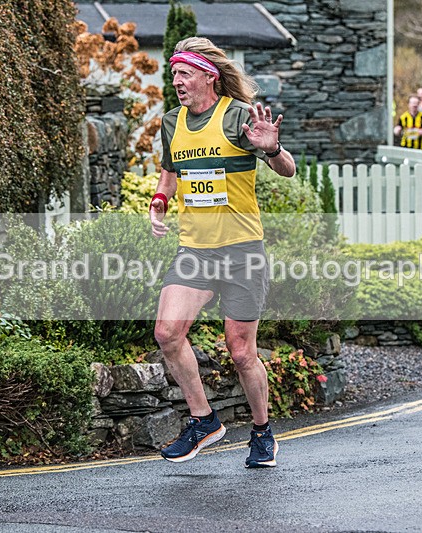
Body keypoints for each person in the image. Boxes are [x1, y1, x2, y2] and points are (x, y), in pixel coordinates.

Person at [149, 37, 296, 467]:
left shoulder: (235, 117)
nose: (176, 81)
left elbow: (287, 170)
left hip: (241, 251)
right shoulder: (172, 122)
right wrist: (160, 201)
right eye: (173, 73)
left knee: (241, 351)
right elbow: (169, 172)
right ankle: (204, 419)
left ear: (208, 76)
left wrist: (271, 148)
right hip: (195, 249)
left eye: (184, 74)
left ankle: (262, 431)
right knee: (167, 333)